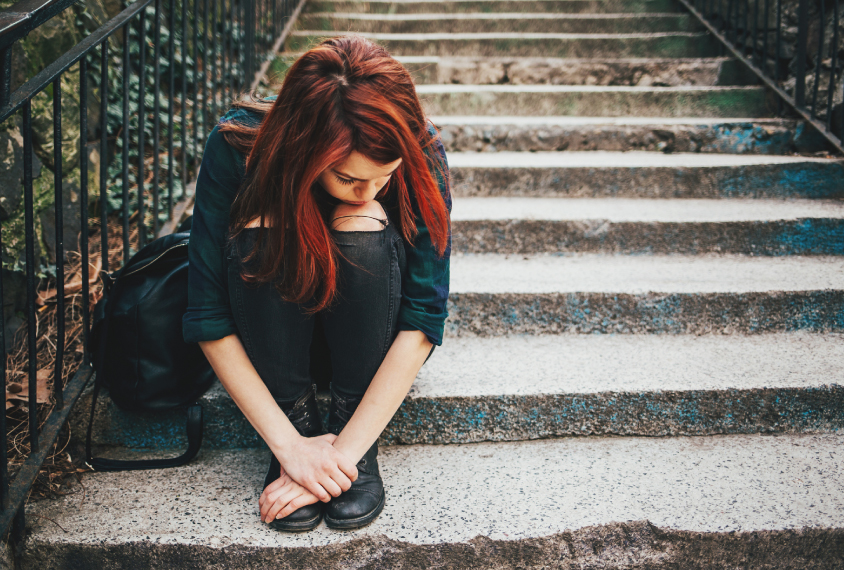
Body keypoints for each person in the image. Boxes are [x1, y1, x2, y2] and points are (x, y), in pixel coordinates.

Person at [183, 35, 452, 532]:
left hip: (371, 347)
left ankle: (349, 426)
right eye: (350, 178)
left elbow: (422, 317)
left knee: (361, 220)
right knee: (265, 222)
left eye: (384, 176)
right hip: (271, 338)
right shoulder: (238, 144)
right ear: (306, 150)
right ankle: (301, 419)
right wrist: (293, 449)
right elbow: (207, 313)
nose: (369, 190)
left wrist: (342, 457)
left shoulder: (421, 147)